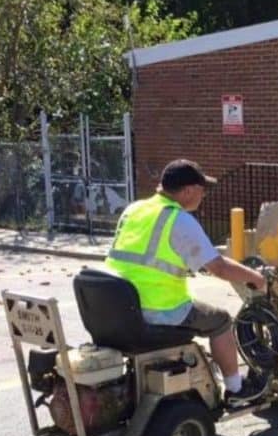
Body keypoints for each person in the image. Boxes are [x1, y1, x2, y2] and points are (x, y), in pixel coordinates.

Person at [105, 158, 266, 404]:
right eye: (202, 190)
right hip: (159, 310)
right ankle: (236, 389)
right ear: (188, 191)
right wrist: (255, 277)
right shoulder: (177, 220)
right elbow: (219, 267)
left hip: (119, 308)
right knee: (221, 320)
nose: (204, 196)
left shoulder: (134, 209)